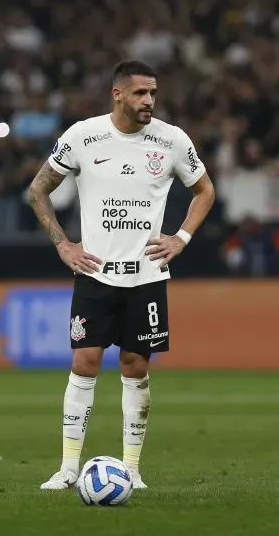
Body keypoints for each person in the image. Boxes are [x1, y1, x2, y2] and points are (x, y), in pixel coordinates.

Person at [27, 60, 216, 491]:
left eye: (153, 93)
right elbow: (38, 190)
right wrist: (63, 243)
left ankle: (131, 469)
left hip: (147, 276)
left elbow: (205, 190)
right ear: (117, 94)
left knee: (135, 367)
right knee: (84, 361)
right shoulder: (83, 136)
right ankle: (68, 468)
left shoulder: (171, 140)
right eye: (140, 93)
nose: (149, 101)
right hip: (95, 273)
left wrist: (182, 237)